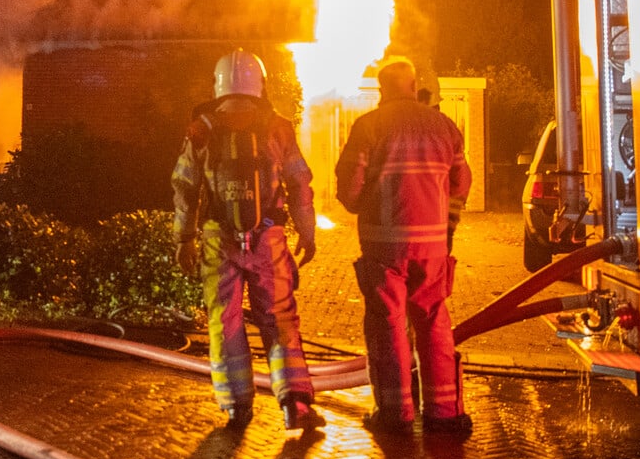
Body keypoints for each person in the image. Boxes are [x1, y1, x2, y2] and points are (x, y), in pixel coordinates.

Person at [172, 49, 322, 431]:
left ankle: (237, 407)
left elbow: (185, 186)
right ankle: (295, 404)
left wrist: (183, 239)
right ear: (261, 84)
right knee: (279, 317)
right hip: (267, 236)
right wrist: (307, 232)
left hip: (217, 238)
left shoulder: (202, 129)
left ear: (218, 84)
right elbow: (299, 182)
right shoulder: (277, 127)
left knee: (225, 321)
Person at [334, 57, 473, 436]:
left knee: (389, 324)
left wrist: (365, 202)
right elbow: (461, 183)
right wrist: (444, 219)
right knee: (434, 321)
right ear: (414, 86)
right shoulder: (444, 127)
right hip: (432, 247)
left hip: (384, 248)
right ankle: (444, 412)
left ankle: (395, 414)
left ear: (382, 89)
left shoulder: (369, 127)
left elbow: (349, 190)